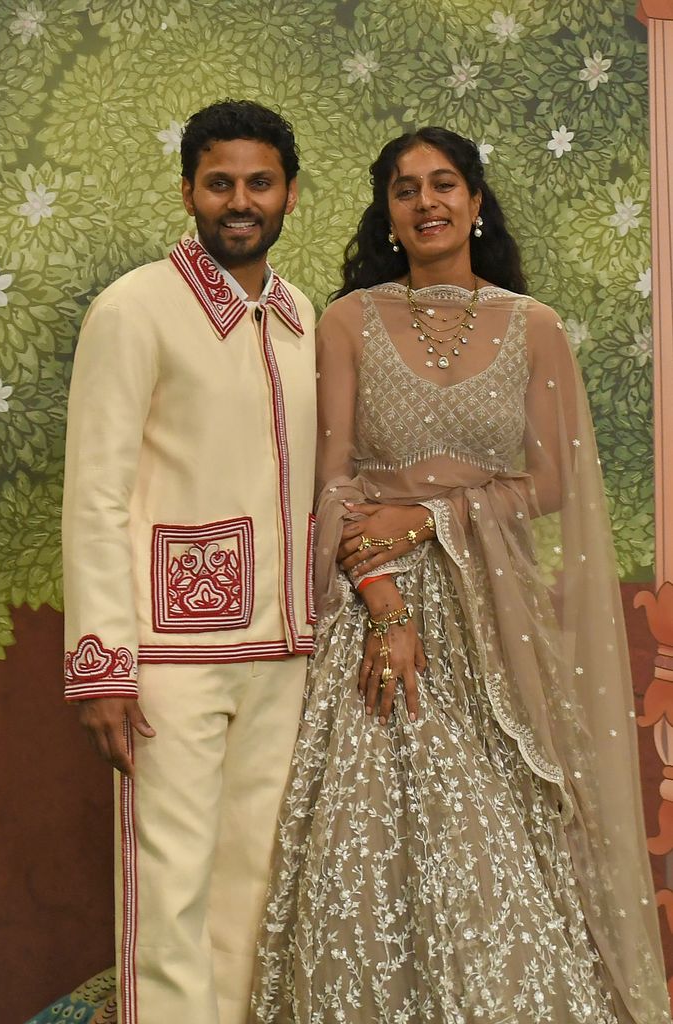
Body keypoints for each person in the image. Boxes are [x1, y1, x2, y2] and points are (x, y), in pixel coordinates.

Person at [250, 128, 671, 1023]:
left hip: (497, 613)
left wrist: (436, 514)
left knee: (500, 840)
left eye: (446, 185)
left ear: (477, 204)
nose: (427, 202)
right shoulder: (348, 321)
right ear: (388, 215)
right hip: (378, 600)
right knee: (371, 840)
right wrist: (385, 599)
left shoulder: (535, 326)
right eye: (406, 190)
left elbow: (554, 481)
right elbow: (331, 484)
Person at [62, 100, 317, 1024]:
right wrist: (102, 664)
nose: (239, 201)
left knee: (255, 885)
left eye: (258, 182)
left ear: (290, 192)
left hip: (285, 652)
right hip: (168, 655)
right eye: (220, 183)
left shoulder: (299, 316)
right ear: (188, 192)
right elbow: (95, 492)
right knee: (169, 896)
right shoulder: (133, 309)